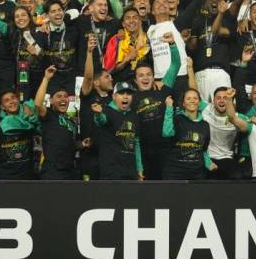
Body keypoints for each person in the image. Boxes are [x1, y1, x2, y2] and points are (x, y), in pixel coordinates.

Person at [132, 32, 181, 180]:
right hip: (145, 151)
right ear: (135, 81)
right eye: (141, 75)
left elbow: (175, 65)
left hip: (167, 149)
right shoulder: (131, 99)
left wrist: (172, 44)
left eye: (148, 74)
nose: (145, 78)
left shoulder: (163, 88)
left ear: (153, 77)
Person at [0, 0, 43, 101]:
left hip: (39, 75)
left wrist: (37, 53)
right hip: (22, 74)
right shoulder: (11, 31)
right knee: (23, 101)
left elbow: (47, 56)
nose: (20, 19)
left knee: (39, 105)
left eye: (23, 15)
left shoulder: (40, 31)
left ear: (29, 17)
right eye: (17, 16)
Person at [34, 66, 88, 180]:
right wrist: (46, 79)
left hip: (70, 170)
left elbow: (72, 145)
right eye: (59, 96)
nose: (63, 99)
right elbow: (38, 104)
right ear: (51, 101)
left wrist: (82, 144)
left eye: (65, 96)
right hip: (53, 171)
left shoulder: (72, 121)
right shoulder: (48, 115)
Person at [91, 81, 143, 180]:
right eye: (121, 93)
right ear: (114, 96)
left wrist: (139, 168)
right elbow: (101, 121)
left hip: (130, 170)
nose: (125, 97)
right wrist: (97, 114)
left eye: (129, 94)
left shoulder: (134, 116)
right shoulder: (106, 110)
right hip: (111, 170)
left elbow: (136, 143)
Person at [188, 0, 235, 101]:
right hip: (200, 73)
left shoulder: (227, 20)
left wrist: (221, 13)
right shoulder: (198, 22)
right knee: (202, 110)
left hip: (220, 73)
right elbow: (192, 47)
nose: (214, 1)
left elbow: (216, 32)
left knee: (224, 108)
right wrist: (186, 40)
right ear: (205, 4)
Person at [161, 89, 215, 179]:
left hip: (197, 173)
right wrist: (169, 107)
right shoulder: (177, 119)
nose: (192, 101)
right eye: (188, 98)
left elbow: (203, 150)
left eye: (195, 98)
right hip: (175, 172)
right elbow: (167, 133)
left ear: (199, 102)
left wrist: (209, 163)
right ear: (183, 103)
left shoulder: (205, 125)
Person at [0, 89, 40, 180]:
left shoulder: (30, 118)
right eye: (6, 100)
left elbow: (41, 130)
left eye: (13, 98)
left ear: (18, 100)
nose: (11, 101)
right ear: (2, 107)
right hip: (5, 175)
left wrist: (32, 115)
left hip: (27, 175)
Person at [78, 34, 107, 180]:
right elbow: (88, 77)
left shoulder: (114, 100)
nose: (111, 79)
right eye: (106, 77)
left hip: (107, 155)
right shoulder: (88, 95)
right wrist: (89, 52)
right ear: (96, 82)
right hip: (89, 154)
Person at [34, 0, 79, 94]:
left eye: (59, 10)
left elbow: (75, 12)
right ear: (46, 15)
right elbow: (41, 59)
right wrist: (36, 54)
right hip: (51, 79)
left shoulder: (74, 30)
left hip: (71, 79)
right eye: (53, 11)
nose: (57, 13)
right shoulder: (41, 34)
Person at [75, 0, 120, 76]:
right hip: (84, 73)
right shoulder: (80, 21)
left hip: (106, 73)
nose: (104, 8)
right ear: (91, 8)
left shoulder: (114, 23)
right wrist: (45, 23)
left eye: (105, 5)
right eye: (100, 5)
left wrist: (121, 31)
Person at [102, 8, 151, 84]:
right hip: (121, 84)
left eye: (135, 17)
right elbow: (109, 70)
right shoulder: (116, 40)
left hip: (144, 84)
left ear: (140, 21)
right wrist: (126, 59)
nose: (131, 21)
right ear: (123, 24)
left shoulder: (148, 39)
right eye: (128, 18)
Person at [201, 87, 240, 179]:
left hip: (227, 158)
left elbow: (249, 124)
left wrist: (255, 120)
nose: (222, 100)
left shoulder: (238, 118)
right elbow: (191, 99)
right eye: (218, 98)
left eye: (225, 98)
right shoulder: (205, 108)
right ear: (213, 101)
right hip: (207, 158)